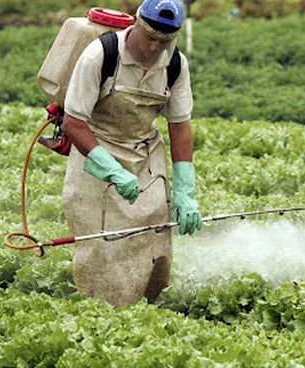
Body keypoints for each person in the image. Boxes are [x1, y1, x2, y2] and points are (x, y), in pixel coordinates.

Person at [61, 0, 201, 308]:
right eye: (149, 37)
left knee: (153, 237)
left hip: (144, 152)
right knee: (105, 246)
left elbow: (179, 126)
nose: (154, 47)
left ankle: (146, 307)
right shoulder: (101, 55)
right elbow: (74, 123)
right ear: (135, 24)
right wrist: (111, 170)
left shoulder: (175, 65)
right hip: (96, 152)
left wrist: (186, 190)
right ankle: (102, 311)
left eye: (164, 41)